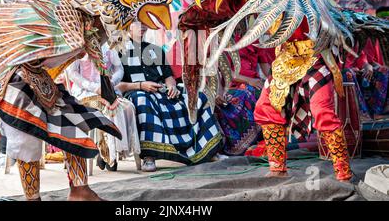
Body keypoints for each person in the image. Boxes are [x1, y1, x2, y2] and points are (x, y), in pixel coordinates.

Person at [117, 22, 222, 172]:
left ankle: (207, 151)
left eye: (144, 24)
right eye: (137, 23)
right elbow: (116, 85)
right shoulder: (118, 51)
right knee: (143, 100)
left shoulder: (155, 50)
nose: (142, 27)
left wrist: (172, 86)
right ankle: (149, 156)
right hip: (136, 92)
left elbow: (168, 77)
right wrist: (140, 85)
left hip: (161, 91)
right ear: (127, 26)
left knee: (198, 98)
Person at [65, 43, 141, 171]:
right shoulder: (78, 44)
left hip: (109, 91)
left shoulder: (107, 45)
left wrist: (111, 82)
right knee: (107, 108)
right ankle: (106, 154)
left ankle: (116, 151)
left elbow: (119, 69)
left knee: (128, 107)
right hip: (85, 93)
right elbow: (71, 73)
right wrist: (94, 87)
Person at [215, 34, 274, 155]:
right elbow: (226, 71)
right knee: (247, 95)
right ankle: (241, 145)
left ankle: (268, 139)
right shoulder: (224, 40)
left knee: (270, 94)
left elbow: (266, 68)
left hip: (254, 83)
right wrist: (248, 80)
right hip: (232, 86)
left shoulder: (254, 38)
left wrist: (275, 81)